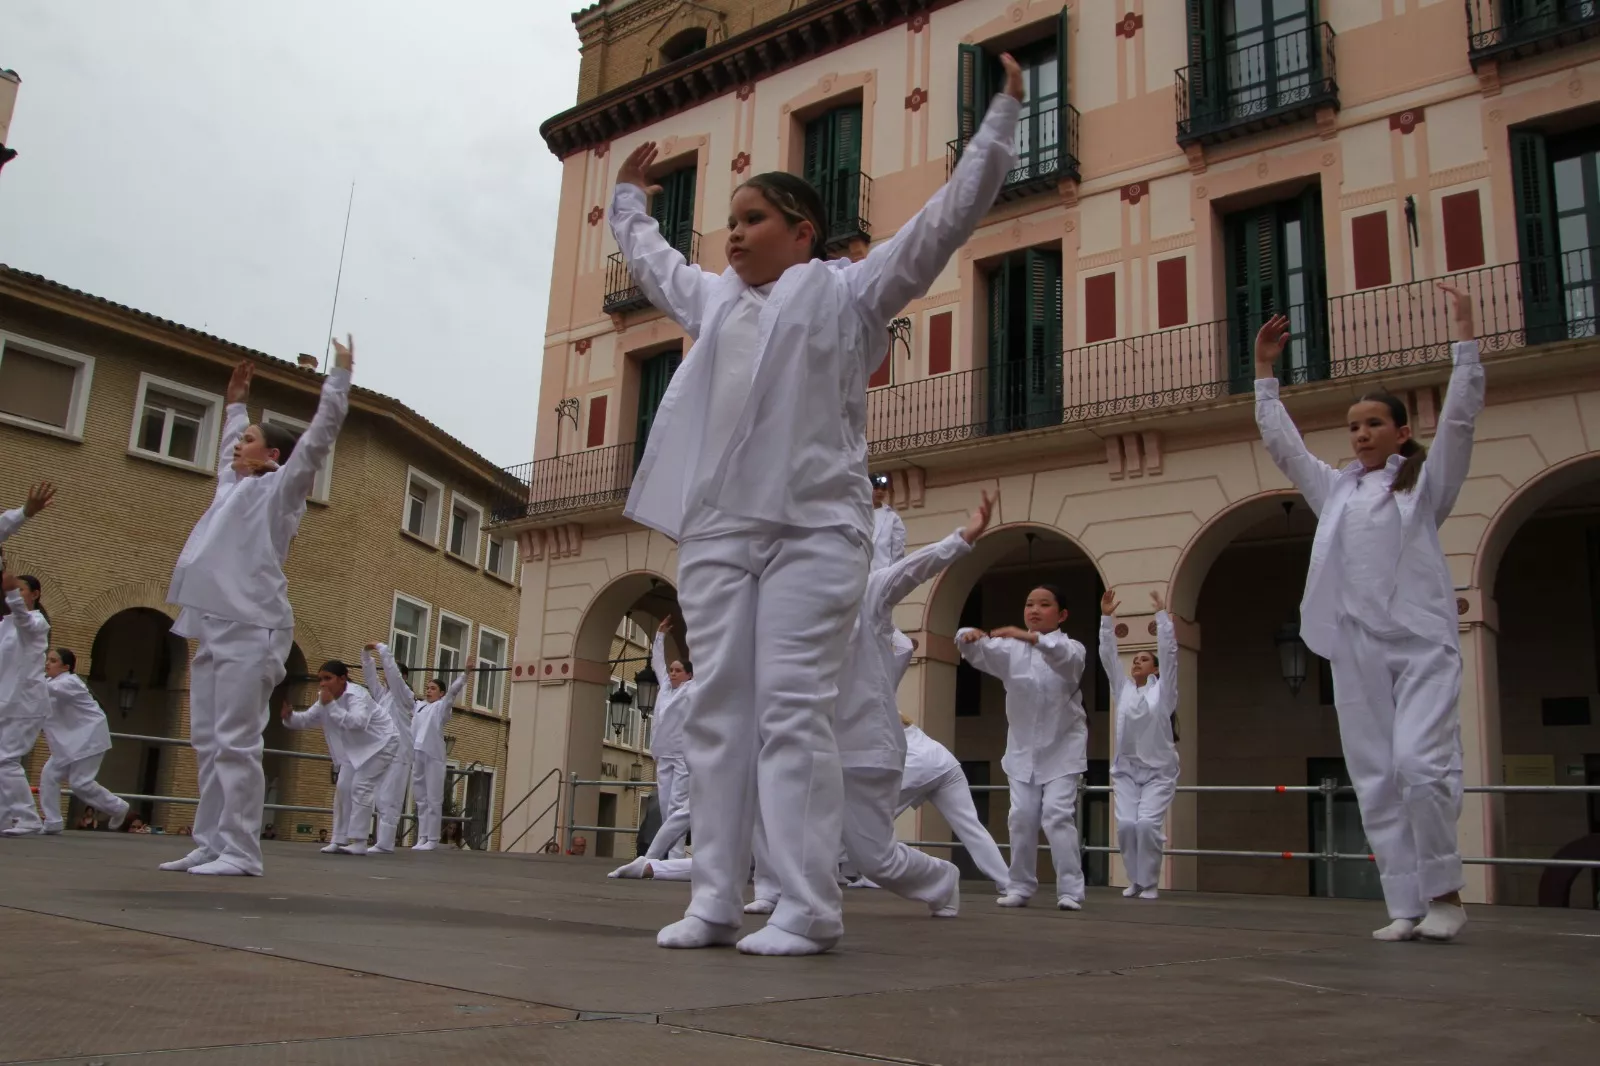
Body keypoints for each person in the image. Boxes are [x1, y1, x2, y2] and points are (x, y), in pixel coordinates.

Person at [610, 52, 1023, 957]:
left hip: (815, 531)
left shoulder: (851, 292)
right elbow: (652, 264)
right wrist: (628, 201)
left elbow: (943, 224)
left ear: (803, 232)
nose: (733, 235)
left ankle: (806, 907)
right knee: (720, 709)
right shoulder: (714, 302)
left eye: (753, 219)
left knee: (792, 709)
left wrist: (997, 127)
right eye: (729, 221)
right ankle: (717, 899)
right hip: (719, 531)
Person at [1253, 283, 1484, 942]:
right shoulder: (1336, 492)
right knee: (1377, 779)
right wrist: (1266, 374)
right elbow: (1286, 448)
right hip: (1357, 651)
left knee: (1419, 766)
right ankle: (1406, 905)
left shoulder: (1423, 486)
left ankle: (1447, 895)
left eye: (1374, 424)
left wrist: (1465, 344)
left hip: (1420, 649)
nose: (1360, 435)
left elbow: (1462, 422)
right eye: (1354, 427)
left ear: (1402, 432)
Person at [159, 339, 353, 876]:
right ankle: (211, 840)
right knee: (207, 740)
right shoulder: (231, 488)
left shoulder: (281, 493)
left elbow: (316, 443)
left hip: (255, 629)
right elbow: (226, 453)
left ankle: (243, 851)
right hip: (213, 623)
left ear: (272, 456)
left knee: (237, 741)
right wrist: (236, 406)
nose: (238, 446)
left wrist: (338, 381)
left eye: (250, 440)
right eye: (242, 439)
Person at [957, 583, 1088, 911]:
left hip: (1063, 748)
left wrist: (1030, 638)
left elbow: (1065, 662)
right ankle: (1021, 885)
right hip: (1021, 749)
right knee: (1021, 817)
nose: (1034, 610)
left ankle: (1070, 890)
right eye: (1030, 604)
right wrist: (968, 636)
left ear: (1062, 614)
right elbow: (981, 653)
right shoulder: (1010, 649)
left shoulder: (1072, 648)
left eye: (1044, 604)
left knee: (1057, 815)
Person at [1099, 589, 1179, 900]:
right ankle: (1135, 880)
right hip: (1127, 771)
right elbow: (1108, 658)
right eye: (1134, 659)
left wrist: (1162, 617)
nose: (1137, 662)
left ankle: (1150, 883)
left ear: (1155, 670)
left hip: (1159, 771)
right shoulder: (1124, 691)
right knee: (1127, 826)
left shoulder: (1165, 693)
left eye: (1144, 659)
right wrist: (1107, 619)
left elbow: (1170, 655)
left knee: (1147, 825)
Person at [281, 660, 398, 856]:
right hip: (356, 749)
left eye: (328, 678)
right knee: (343, 788)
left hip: (383, 742)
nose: (323, 684)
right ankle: (338, 839)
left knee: (360, 787)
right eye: (320, 680)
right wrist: (289, 717)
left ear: (342, 679)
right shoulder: (324, 699)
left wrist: (331, 706)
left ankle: (359, 842)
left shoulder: (358, 695)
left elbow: (358, 723)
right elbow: (306, 720)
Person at [896, 709, 1011, 896]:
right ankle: (1007, 882)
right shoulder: (890, 708)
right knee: (971, 826)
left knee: (876, 819)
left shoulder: (867, 710)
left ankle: (867, 873)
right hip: (944, 762)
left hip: (917, 764)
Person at [37, 648, 130, 834]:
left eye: (53, 661)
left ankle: (118, 807)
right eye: (48, 659)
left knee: (80, 783)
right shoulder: (50, 682)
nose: (47, 663)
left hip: (90, 736)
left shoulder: (70, 682)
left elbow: (46, 689)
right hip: (70, 741)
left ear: (66, 666)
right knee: (49, 776)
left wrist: (25, 672)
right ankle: (53, 821)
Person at [0, 571, 51, 837]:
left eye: (21, 590)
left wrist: (10, 594)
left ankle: (28, 816)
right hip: (7, 702)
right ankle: (4, 818)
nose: (17, 595)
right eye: (14, 590)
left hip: (25, 702)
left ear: (34, 594)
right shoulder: (4, 626)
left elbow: (23, 619)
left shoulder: (37, 622)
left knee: (6, 759)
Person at [361, 641, 420, 853]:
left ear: (402, 677)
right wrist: (366, 656)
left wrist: (383, 650)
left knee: (390, 797)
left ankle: (385, 843)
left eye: (389, 673)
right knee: (377, 795)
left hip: (400, 752)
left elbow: (393, 677)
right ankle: (380, 840)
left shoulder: (405, 695)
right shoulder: (383, 696)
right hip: (383, 750)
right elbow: (370, 679)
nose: (385, 677)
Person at [648, 618, 693, 860]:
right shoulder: (665, 688)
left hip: (682, 755)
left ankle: (675, 856)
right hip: (662, 754)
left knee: (677, 803)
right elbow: (657, 663)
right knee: (666, 805)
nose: (673, 673)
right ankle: (670, 853)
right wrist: (660, 636)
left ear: (688, 675)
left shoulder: (692, 690)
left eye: (678, 671)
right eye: (672, 670)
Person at [410, 665, 469, 851]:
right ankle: (422, 836)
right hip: (418, 753)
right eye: (427, 688)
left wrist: (465, 674)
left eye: (433, 688)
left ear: (441, 693)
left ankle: (433, 838)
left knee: (434, 798)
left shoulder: (441, 707)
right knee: (421, 798)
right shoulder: (419, 707)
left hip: (434, 755)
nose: (428, 691)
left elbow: (453, 692)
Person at [870, 473, 905, 571]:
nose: (880, 491)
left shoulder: (892, 518)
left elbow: (898, 551)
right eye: (876, 488)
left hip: (882, 573)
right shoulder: (857, 513)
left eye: (883, 488)